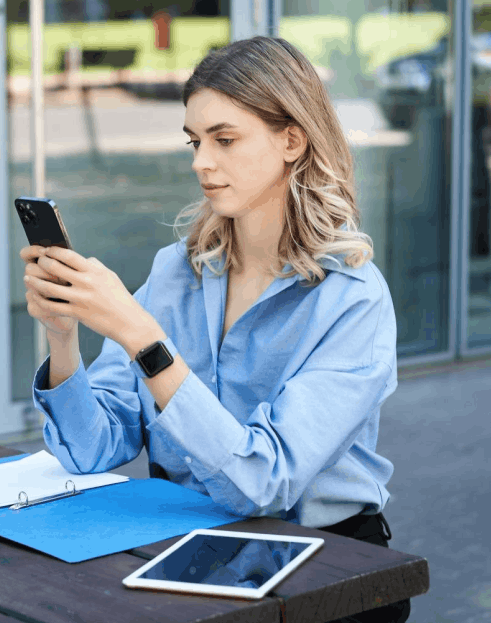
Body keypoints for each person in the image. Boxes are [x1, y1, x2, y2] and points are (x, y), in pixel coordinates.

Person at [20, 36, 409, 623]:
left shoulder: (353, 301)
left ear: (291, 139)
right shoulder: (177, 270)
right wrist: (62, 335)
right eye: (194, 141)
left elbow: (261, 483)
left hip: (327, 570)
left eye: (225, 140)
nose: (201, 161)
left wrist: (144, 341)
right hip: (188, 550)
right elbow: (91, 449)